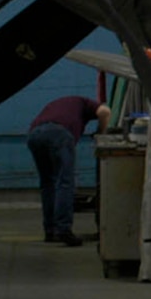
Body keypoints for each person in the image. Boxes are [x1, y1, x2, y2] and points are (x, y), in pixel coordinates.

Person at [27, 95, 111, 246]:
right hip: (59, 134)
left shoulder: (62, 103)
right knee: (64, 182)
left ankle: (50, 231)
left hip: (34, 134)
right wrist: (101, 131)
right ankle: (64, 230)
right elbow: (105, 112)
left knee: (48, 184)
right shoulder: (86, 103)